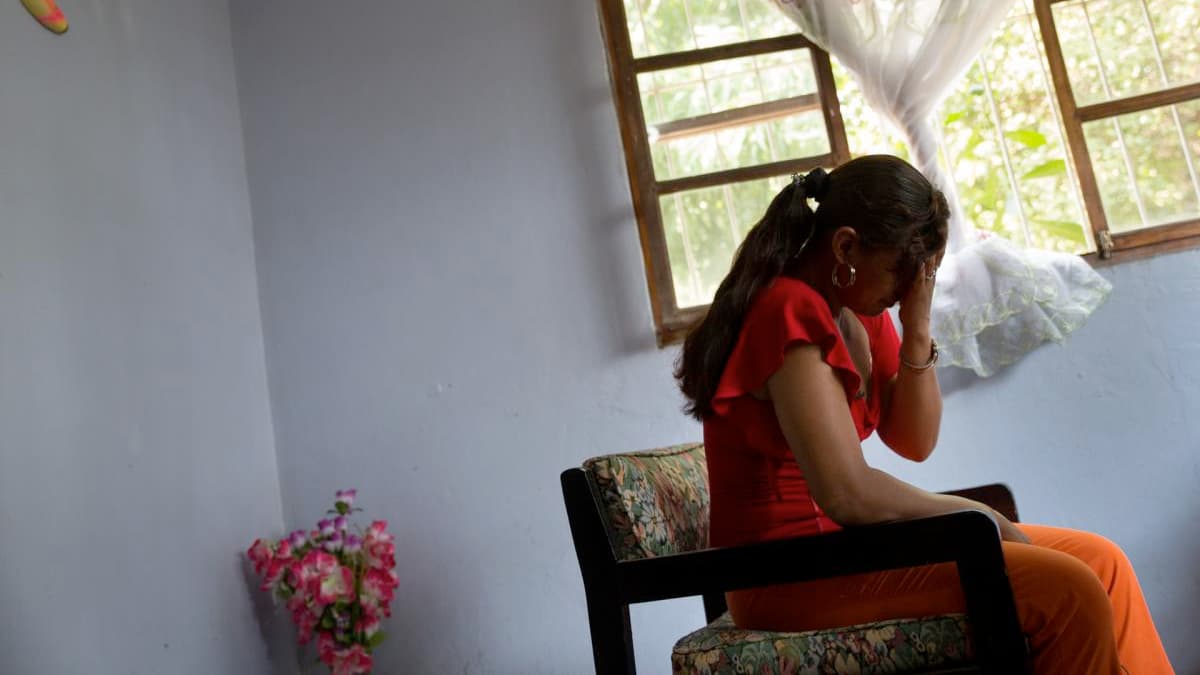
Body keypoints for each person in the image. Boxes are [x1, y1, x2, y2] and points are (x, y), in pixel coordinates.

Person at [674, 155, 1173, 674]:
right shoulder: (788, 310)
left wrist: (916, 326)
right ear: (845, 247)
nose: (905, 288)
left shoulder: (857, 309)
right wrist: (983, 516)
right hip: (790, 573)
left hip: (852, 548)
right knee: (1067, 590)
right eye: (899, 272)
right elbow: (847, 492)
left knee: (1102, 562)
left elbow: (914, 440)